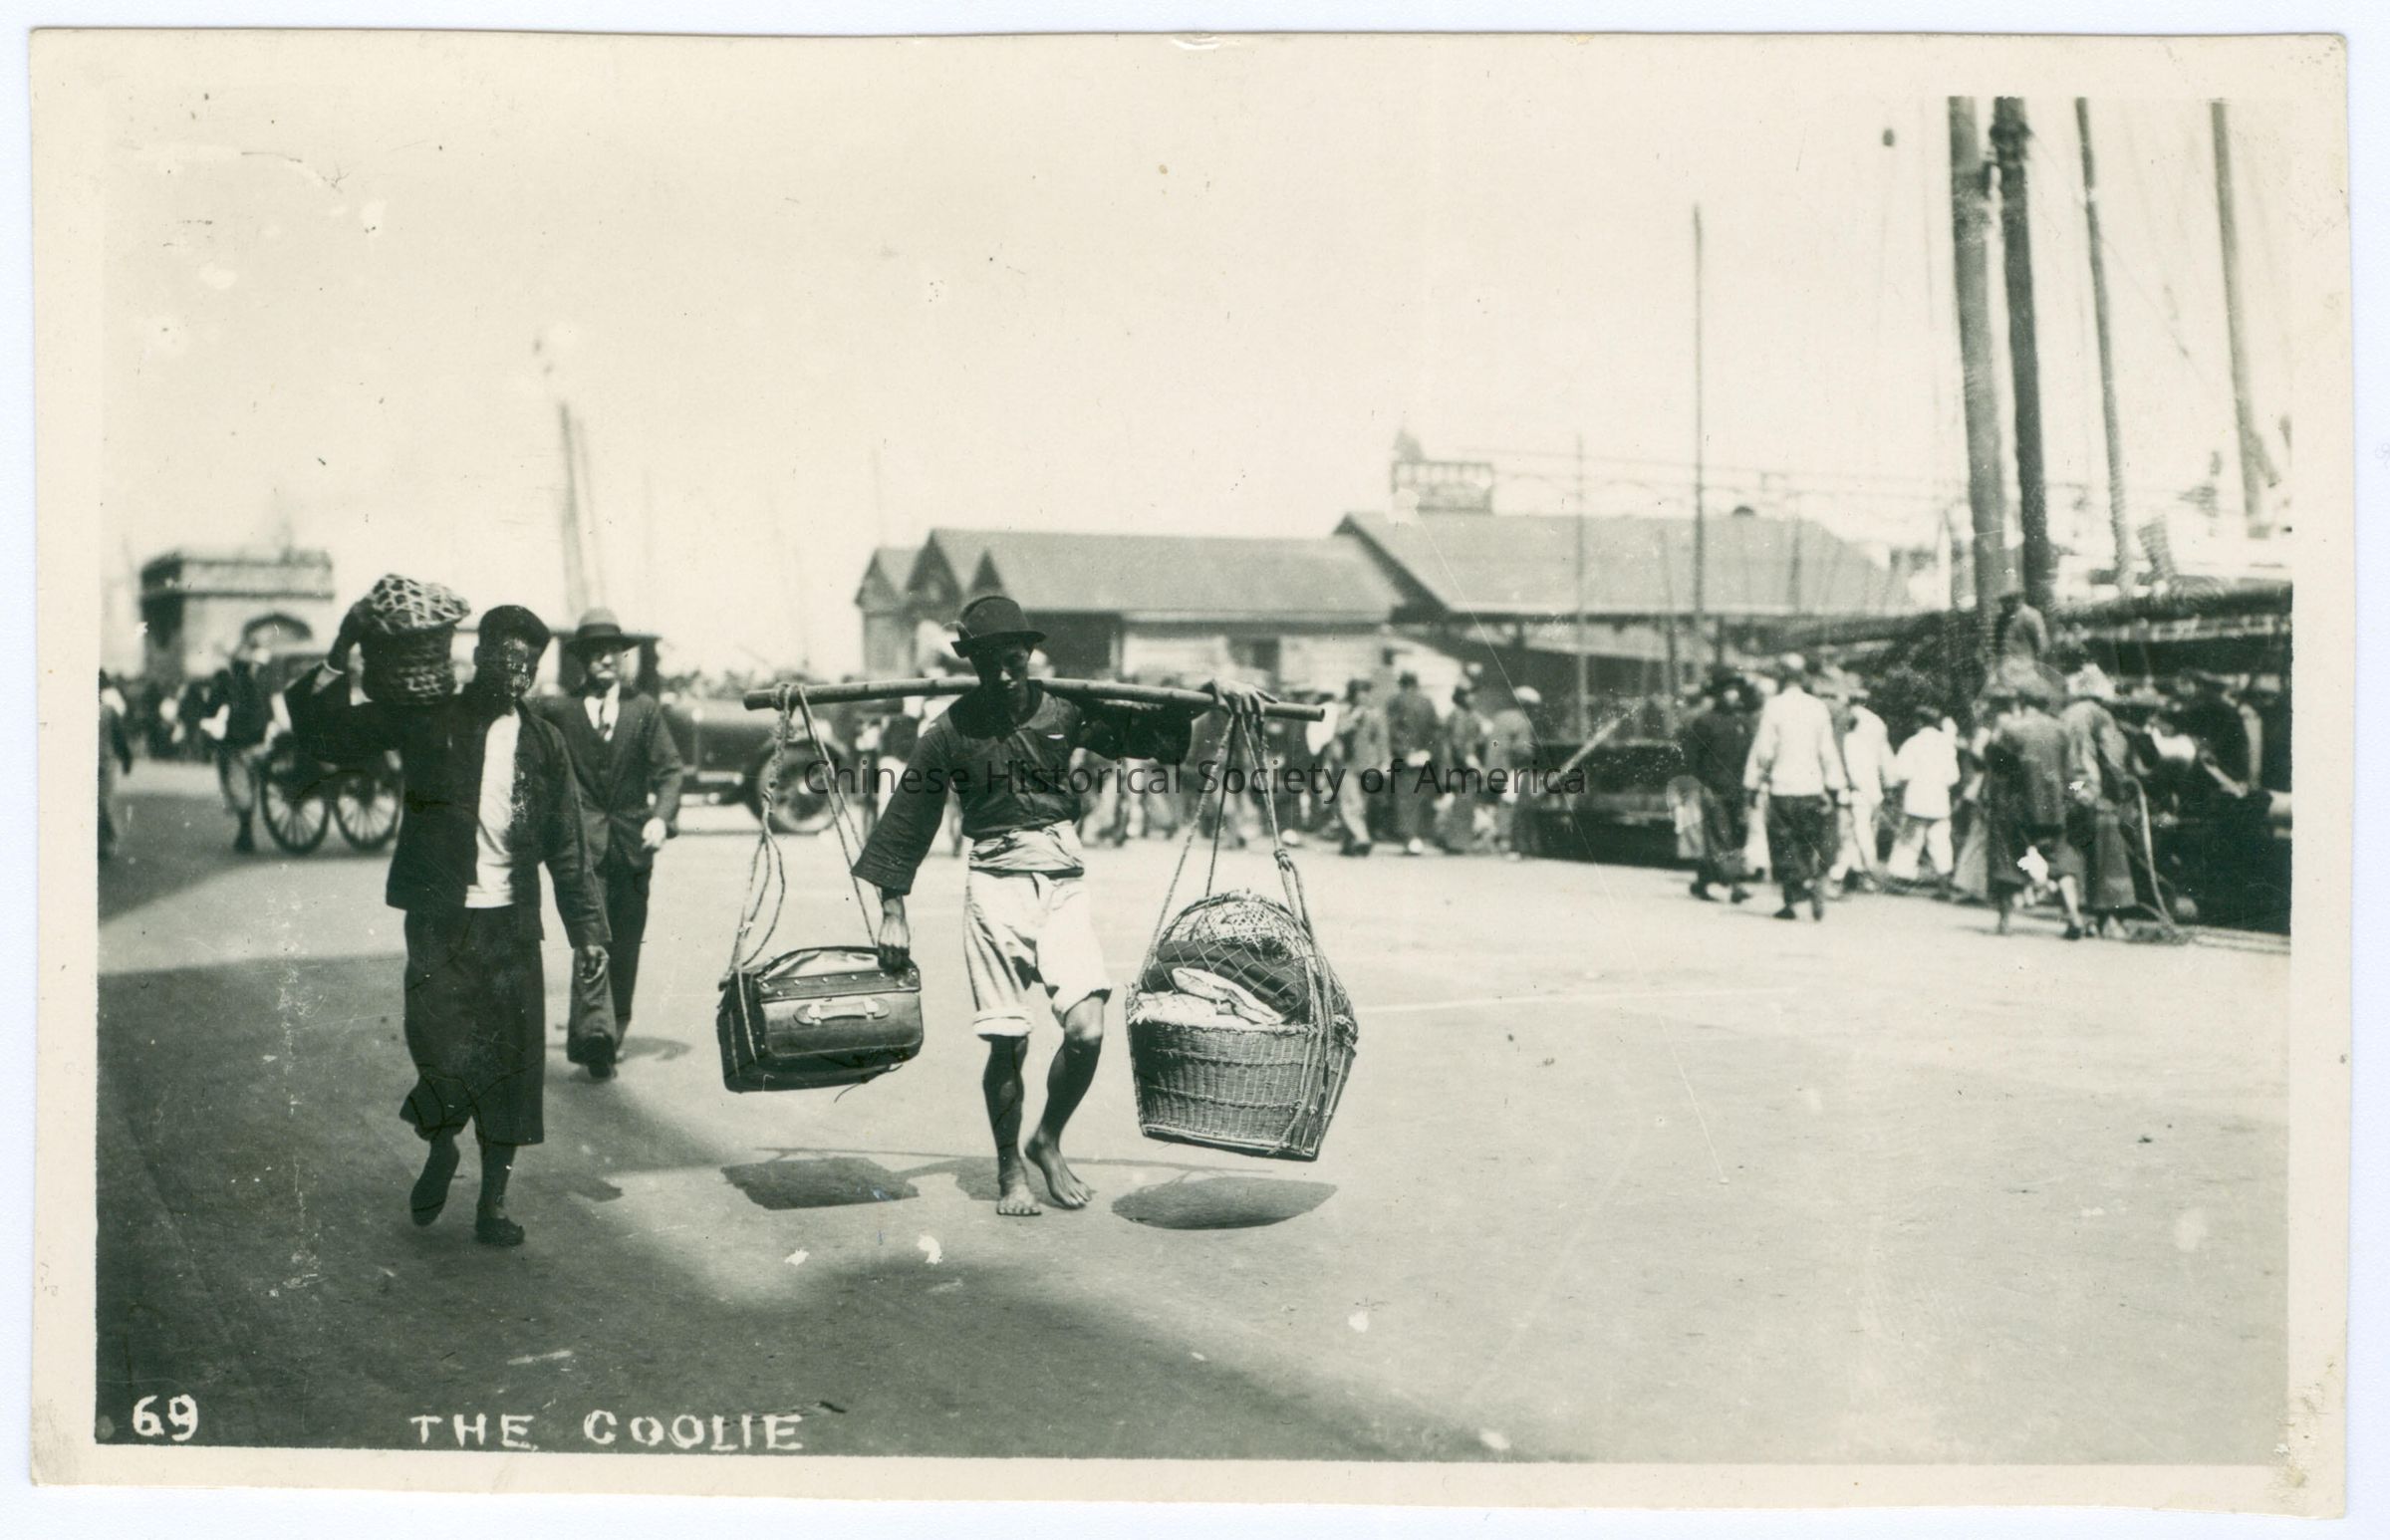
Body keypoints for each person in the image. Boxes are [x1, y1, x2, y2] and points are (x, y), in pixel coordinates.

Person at [852, 595, 1270, 1218]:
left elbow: (1146, 730)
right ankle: (1008, 1169)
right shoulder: (949, 730)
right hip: (994, 885)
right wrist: (892, 910)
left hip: (1063, 881)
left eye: (1013, 659)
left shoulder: (1065, 708)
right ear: (971, 662)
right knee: (1007, 1043)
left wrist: (1209, 692)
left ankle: (1046, 1138)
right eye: (988, 661)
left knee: (1087, 1029)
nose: (1003, 673)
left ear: (1029, 654)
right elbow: (908, 818)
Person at [288, 601, 610, 1247]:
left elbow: (567, 845)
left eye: (529, 666)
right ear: (479, 655)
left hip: (512, 926)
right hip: (440, 920)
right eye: (506, 660)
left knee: (512, 1066)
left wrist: (589, 933)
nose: (516, 675)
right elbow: (326, 734)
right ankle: (441, 1144)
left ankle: (493, 1203)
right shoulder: (428, 716)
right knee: (438, 1047)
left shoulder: (545, 743)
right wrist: (343, 647)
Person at [532, 609, 684, 1081]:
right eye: (595, 653)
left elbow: (670, 770)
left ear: (622, 658)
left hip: (634, 847)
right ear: (582, 660)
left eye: (612, 652)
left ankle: (613, 1030)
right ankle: (594, 1038)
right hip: (582, 847)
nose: (605, 660)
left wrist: (661, 818)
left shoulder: (644, 710)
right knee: (591, 937)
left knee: (626, 942)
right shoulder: (560, 710)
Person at [1742, 654, 1847, 920]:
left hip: (1782, 787)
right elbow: (1827, 751)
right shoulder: (1818, 707)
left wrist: (1754, 784)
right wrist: (1834, 786)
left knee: (1783, 844)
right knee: (1805, 842)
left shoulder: (1774, 706)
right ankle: (1811, 880)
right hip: (1812, 787)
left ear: (1781, 678)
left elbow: (1764, 751)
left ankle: (1793, 897)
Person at [1982, 679, 2087, 938]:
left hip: (2016, 807)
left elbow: (1995, 765)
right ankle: (2074, 916)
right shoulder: (2062, 730)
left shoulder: (2011, 729)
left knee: (2007, 860)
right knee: (2060, 861)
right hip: (2053, 808)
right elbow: (2073, 773)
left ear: (2021, 702)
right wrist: (2069, 799)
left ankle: (2005, 922)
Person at [2060, 664, 2142, 933]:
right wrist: (2123, 786)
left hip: (2069, 788)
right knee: (2107, 853)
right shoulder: (2101, 716)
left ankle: (2080, 914)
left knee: (2076, 852)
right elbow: (2112, 758)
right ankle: (2109, 920)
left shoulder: (2065, 714)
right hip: (2093, 790)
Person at [1676, 670, 1752, 902]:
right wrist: (1700, 787)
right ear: (1718, 694)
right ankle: (1735, 885)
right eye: (1727, 690)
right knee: (1721, 837)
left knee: (1736, 837)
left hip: (1738, 790)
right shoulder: (1705, 722)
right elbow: (1693, 759)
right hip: (1713, 789)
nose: (1732, 694)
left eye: (1735, 690)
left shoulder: (1742, 722)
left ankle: (1702, 882)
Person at [203, 637, 279, 852]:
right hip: (260, 741)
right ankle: (245, 830)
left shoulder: (229, 684)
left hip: (238, 743)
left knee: (240, 785)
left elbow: (211, 707)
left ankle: (245, 831)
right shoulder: (259, 684)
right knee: (250, 785)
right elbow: (269, 712)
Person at [1885, 706, 1962, 897]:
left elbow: (1902, 772)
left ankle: (1901, 880)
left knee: (1909, 841)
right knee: (1941, 842)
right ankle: (1944, 885)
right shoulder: (1946, 744)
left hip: (1916, 799)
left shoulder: (1913, 743)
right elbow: (1953, 776)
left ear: (1919, 722)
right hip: (1939, 800)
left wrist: (1897, 790)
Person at [1826, 682, 1893, 895]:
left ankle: (1845, 875)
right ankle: (1859, 874)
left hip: (1851, 788)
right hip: (1869, 788)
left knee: (1851, 835)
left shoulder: (1845, 722)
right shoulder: (1876, 723)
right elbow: (1884, 757)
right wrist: (1889, 785)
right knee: (1861, 833)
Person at [1384, 671, 1441, 856]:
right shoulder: (1427, 702)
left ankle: (1410, 839)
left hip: (1404, 758)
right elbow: (1435, 730)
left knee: (1404, 798)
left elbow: (1392, 729)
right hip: (1424, 756)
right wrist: (1428, 751)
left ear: (1401, 683)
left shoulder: (1395, 701)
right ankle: (1417, 837)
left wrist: (1404, 752)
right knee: (1419, 796)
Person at [1330, 676, 1388, 857]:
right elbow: (1338, 733)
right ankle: (1361, 838)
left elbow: (1382, 739)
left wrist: (1385, 761)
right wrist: (1353, 719)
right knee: (1350, 803)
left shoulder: (1375, 715)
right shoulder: (1346, 713)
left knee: (1360, 805)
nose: (1364, 697)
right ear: (1353, 695)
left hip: (1368, 765)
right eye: (1360, 693)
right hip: (1348, 764)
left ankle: (1350, 843)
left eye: (1366, 693)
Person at [1483, 686, 1539, 861]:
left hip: (1494, 767)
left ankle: (1500, 841)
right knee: (1511, 805)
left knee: (1500, 804)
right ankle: (1508, 843)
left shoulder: (1499, 717)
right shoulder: (1522, 722)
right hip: (1512, 768)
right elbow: (1522, 750)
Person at [1436, 684, 1488, 853]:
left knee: (1461, 803)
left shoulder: (1467, 714)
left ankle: (1456, 842)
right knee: (1463, 803)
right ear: (1460, 697)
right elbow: (1458, 744)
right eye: (1468, 695)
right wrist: (1471, 761)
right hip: (1460, 767)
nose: (1472, 698)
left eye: (1473, 694)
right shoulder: (1459, 715)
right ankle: (1457, 843)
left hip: (1458, 766)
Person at [99, 671, 134, 861]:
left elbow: (119, 738)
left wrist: (126, 758)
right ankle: (103, 839)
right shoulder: (107, 711)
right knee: (100, 802)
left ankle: (103, 841)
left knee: (101, 803)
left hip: (103, 764)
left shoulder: (107, 711)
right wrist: (126, 758)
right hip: (102, 763)